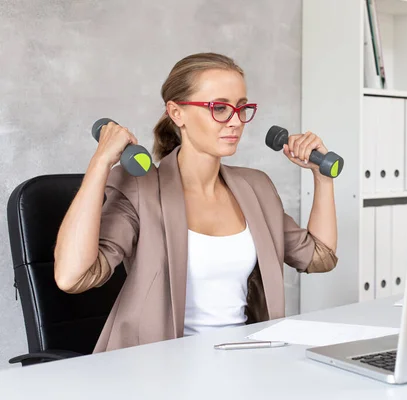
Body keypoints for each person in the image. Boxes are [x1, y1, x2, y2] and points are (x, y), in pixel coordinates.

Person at [53, 52, 338, 353]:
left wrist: (322, 178)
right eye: (219, 108)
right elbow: (73, 277)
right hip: (159, 367)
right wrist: (100, 163)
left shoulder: (256, 187)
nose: (235, 122)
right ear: (177, 113)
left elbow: (320, 257)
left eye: (241, 108)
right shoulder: (141, 188)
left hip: (244, 358)